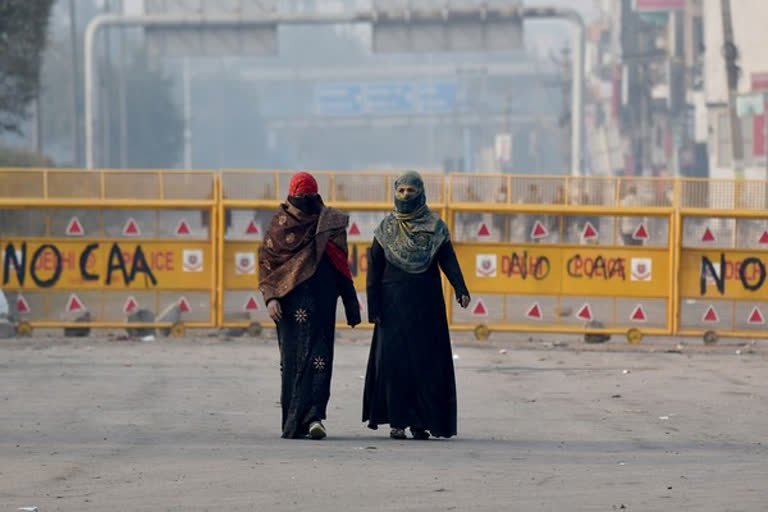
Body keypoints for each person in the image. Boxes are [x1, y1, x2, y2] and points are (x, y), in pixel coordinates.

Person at [363, 171, 471, 440]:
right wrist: (373, 307)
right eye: (401, 191)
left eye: (411, 191)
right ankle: (397, 422)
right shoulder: (385, 229)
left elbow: (448, 260)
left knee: (427, 364)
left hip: (427, 308)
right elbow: (374, 270)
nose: (405, 196)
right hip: (393, 308)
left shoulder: (435, 227)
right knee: (395, 364)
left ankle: (420, 423)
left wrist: (461, 289)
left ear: (421, 193)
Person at [259, 171, 361, 440]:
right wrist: (270, 298)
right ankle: (293, 421)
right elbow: (267, 265)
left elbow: (341, 265)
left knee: (319, 359)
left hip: (323, 303)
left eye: (307, 196)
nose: (302, 202)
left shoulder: (329, 223)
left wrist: (351, 304)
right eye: (298, 196)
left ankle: (315, 417)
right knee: (291, 362)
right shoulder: (279, 226)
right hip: (288, 308)